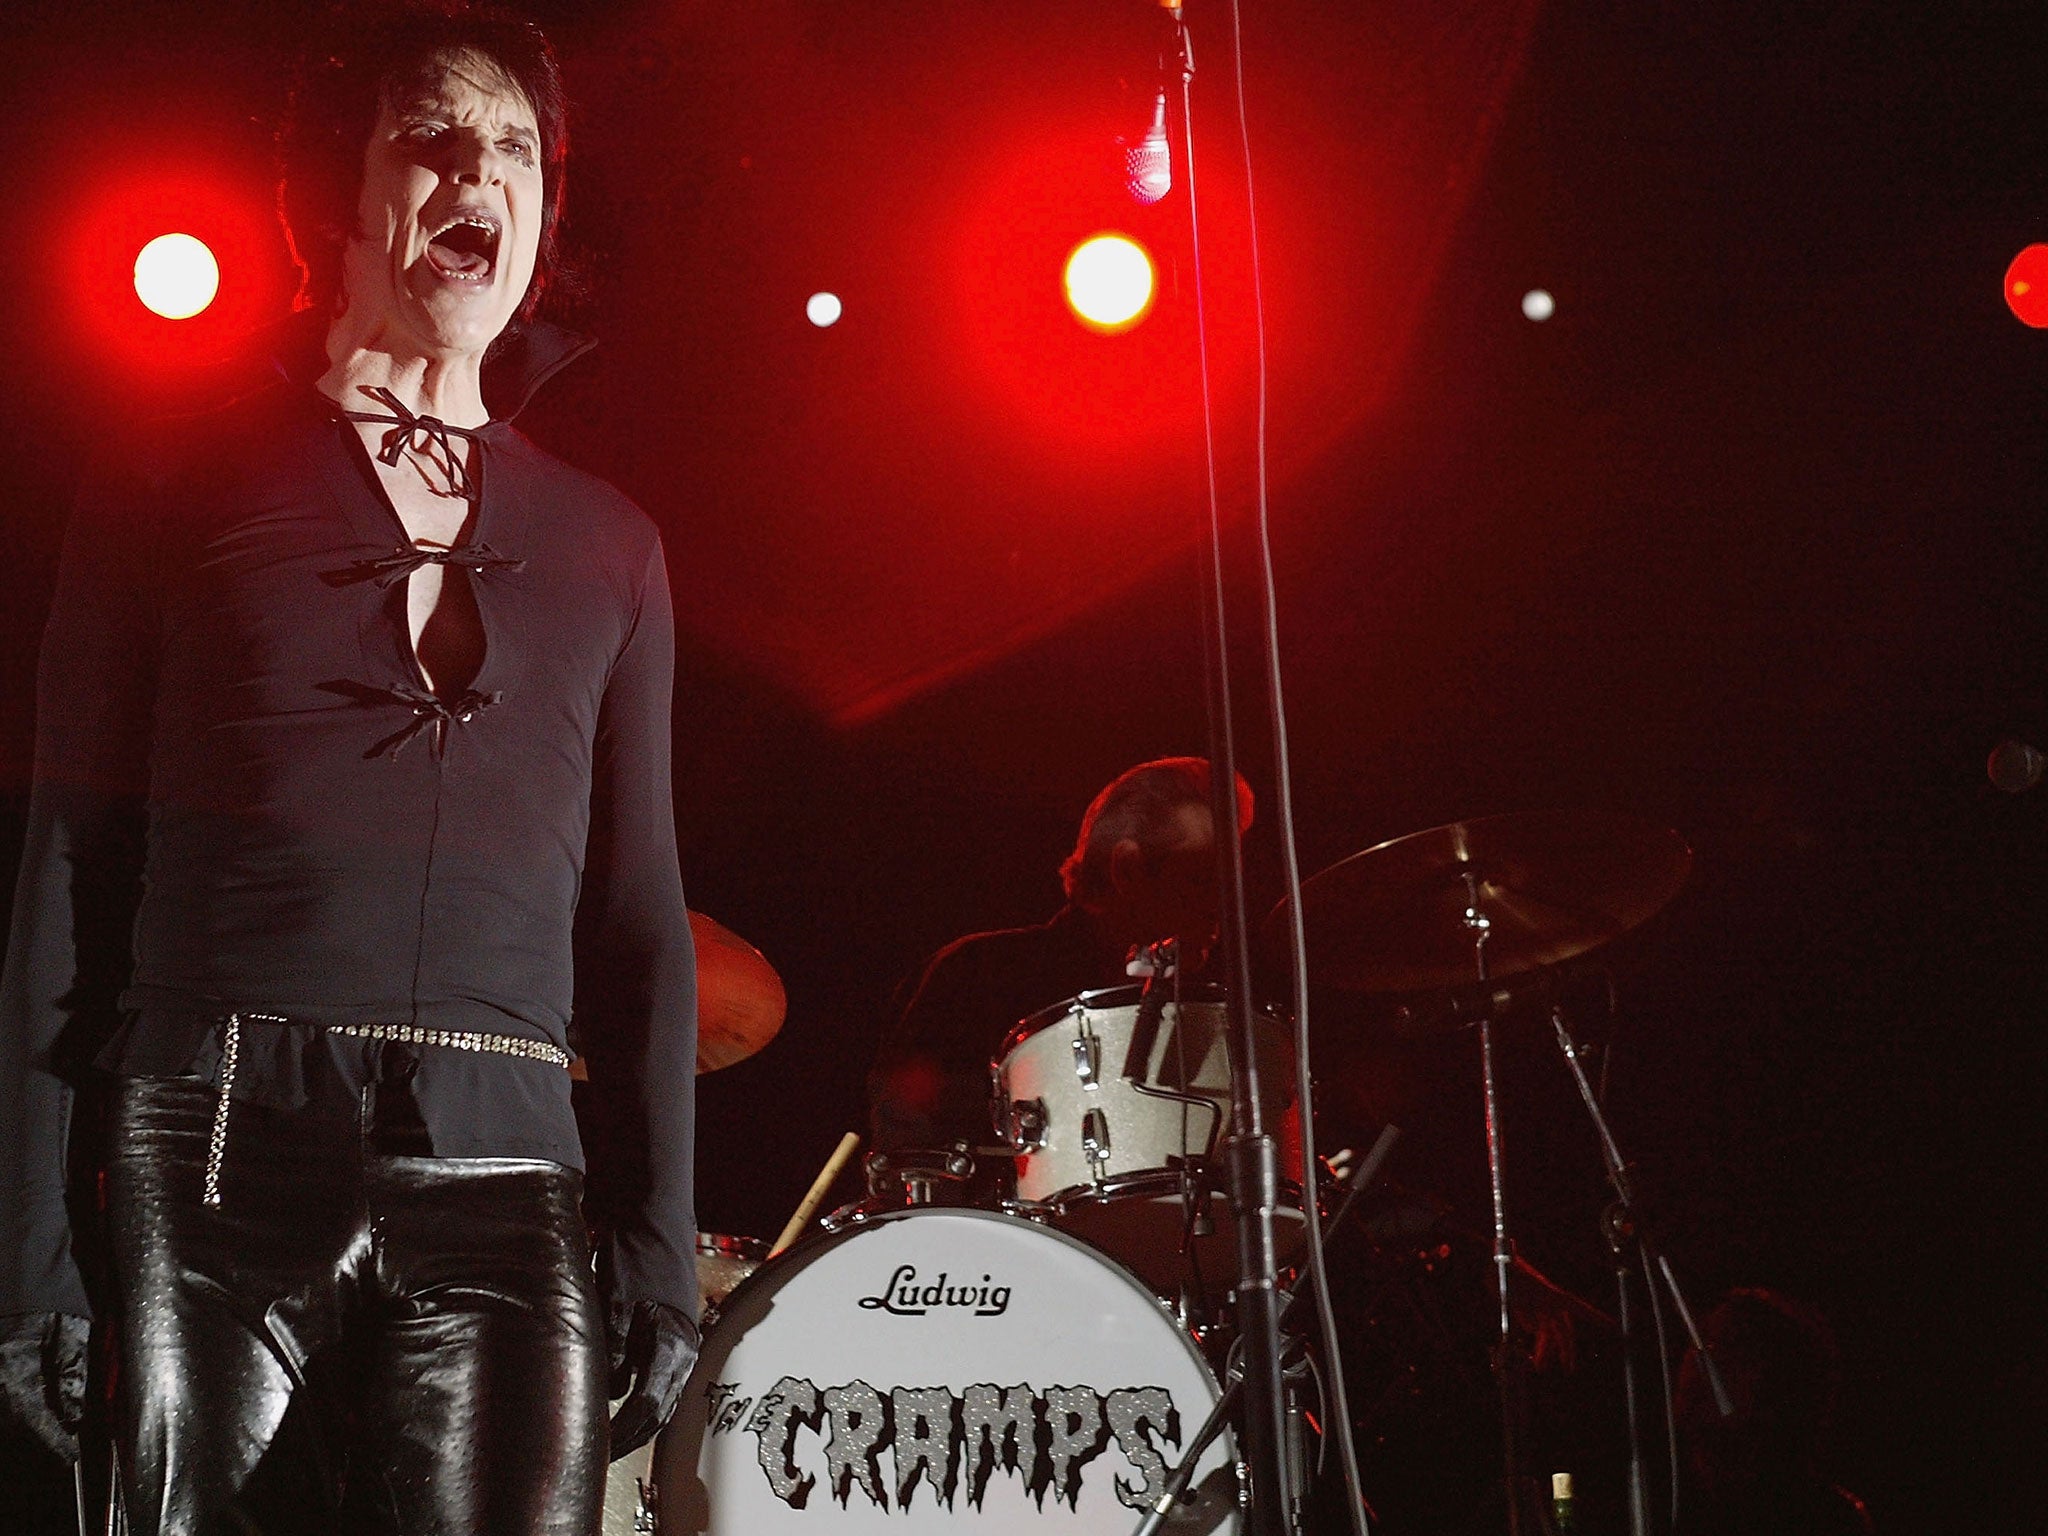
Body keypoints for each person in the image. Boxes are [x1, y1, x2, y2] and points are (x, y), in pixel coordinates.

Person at [0, 5, 699, 1530]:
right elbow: (66, 870)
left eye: (515, 147)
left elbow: (642, 913)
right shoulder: (170, 476)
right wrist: (35, 1259)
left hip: (508, 1166)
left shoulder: (611, 543)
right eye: (430, 135)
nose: (480, 172)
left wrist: (657, 1242)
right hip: (216, 1143)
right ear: (340, 189)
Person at [868, 755, 1253, 1155]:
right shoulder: (977, 976)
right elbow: (907, 1132)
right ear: (1128, 868)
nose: (1222, 905)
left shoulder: (1215, 1009)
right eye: (1202, 878)